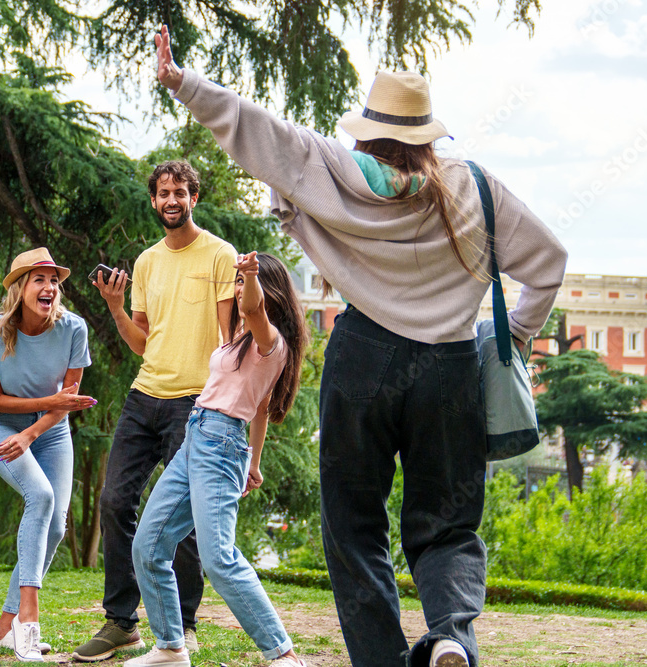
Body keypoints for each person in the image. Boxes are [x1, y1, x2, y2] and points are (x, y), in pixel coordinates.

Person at [154, 26, 568, 667]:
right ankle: (452, 637)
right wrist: (512, 333)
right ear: (428, 133)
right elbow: (550, 261)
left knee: (354, 526)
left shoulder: (332, 170)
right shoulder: (472, 185)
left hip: (363, 360)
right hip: (452, 366)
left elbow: (254, 128)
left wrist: (183, 82)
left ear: (366, 130)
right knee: (448, 526)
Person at [73, 161, 237, 662]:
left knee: (180, 520)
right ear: (153, 201)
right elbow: (142, 343)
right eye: (163, 192)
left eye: (180, 192)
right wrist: (116, 307)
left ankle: (182, 626)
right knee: (116, 502)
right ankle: (121, 623)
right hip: (145, 397)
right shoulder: (146, 262)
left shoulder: (219, 255)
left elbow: (231, 339)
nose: (172, 200)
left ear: (194, 198)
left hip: (196, 402)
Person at [128, 251, 309, 667]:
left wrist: (249, 275)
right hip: (197, 437)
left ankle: (282, 654)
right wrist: (254, 462)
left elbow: (254, 306)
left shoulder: (270, 341)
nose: (237, 290)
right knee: (149, 545)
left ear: (267, 289)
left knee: (218, 557)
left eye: (242, 283)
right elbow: (261, 409)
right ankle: (171, 647)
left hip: (219, 443)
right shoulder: (242, 340)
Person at [0, 248, 94, 662]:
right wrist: (27, 426)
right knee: (40, 498)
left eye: (54, 280)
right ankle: (28, 621)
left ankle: (3, 631)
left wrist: (34, 431)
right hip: (1, 428)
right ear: (20, 288)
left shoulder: (73, 328)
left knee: (56, 528)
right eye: (39, 279)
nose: (50, 288)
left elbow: (69, 402)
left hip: (50, 430)